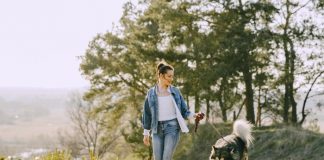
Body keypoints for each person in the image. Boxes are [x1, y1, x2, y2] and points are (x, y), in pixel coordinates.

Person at [142, 62, 203, 160]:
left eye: (172, 76)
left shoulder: (175, 91)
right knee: (158, 158)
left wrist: (195, 115)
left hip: (172, 128)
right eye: (169, 76)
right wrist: (146, 133)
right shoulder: (151, 93)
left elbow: (184, 111)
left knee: (166, 158)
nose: (171, 79)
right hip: (156, 129)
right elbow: (147, 114)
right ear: (161, 76)